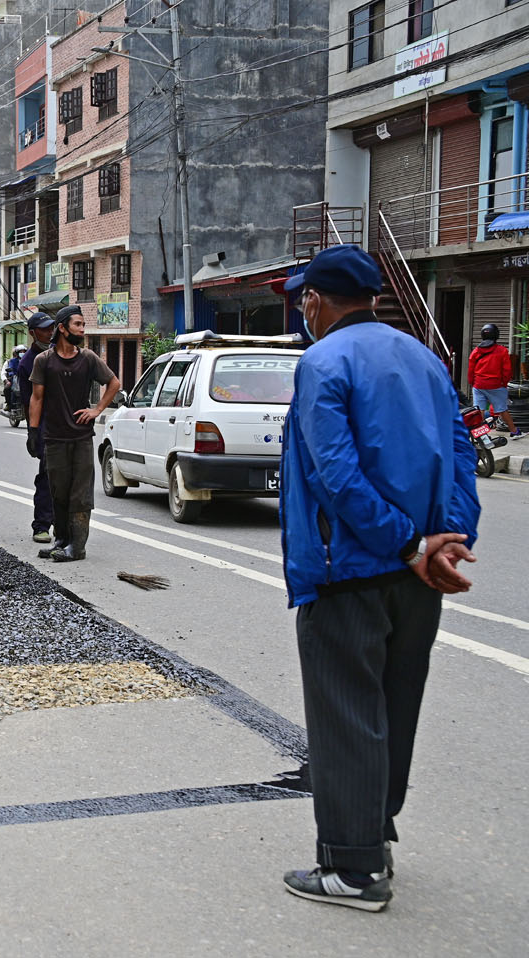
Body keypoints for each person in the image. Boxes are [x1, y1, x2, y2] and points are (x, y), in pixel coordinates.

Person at [278, 244, 480, 912]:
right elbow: (461, 458)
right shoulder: (426, 360)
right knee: (393, 712)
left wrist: (407, 543)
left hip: (353, 570)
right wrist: (445, 544)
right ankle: (376, 836)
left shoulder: (322, 361)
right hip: (421, 577)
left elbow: (335, 476)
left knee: (345, 718)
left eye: (303, 298)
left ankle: (354, 869)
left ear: (315, 301)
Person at [27, 305, 121, 562]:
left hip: (80, 438)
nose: (82, 329)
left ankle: (77, 547)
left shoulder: (88, 358)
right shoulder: (43, 361)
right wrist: (33, 431)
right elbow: (37, 398)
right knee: (58, 492)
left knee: (79, 494)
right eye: (77, 324)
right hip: (54, 437)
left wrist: (97, 410)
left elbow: (114, 383)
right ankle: (61, 541)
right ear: (62, 328)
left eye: (82, 325)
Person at [19, 314, 59, 545]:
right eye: (44, 329)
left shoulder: (60, 353)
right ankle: (41, 525)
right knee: (47, 475)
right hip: (44, 426)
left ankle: (62, 523)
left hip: (65, 424)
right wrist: (32, 432)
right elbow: (29, 402)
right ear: (33, 332)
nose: (49, 332)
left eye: (52, 328)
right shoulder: (28, 363)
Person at [467, 323, 521, 438]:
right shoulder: (502, 351)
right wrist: (504, 384)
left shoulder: (476, 351)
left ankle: (482, 435)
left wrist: (473, 383)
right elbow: (506, 371)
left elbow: (471, 370)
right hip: (496, 385)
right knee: (502, 410)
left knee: (479, 410)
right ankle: (514, 431)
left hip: (479, 385)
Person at [3, 343, 28, 408]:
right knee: (7, 388)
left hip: (25, 378)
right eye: (20, 352)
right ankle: (9, 404)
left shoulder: (27, 360)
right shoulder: (12, 361)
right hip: (15, 378)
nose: (22, 353)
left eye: (23, 351)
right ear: (17, 353)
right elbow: (10, 369)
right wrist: (12, 374)